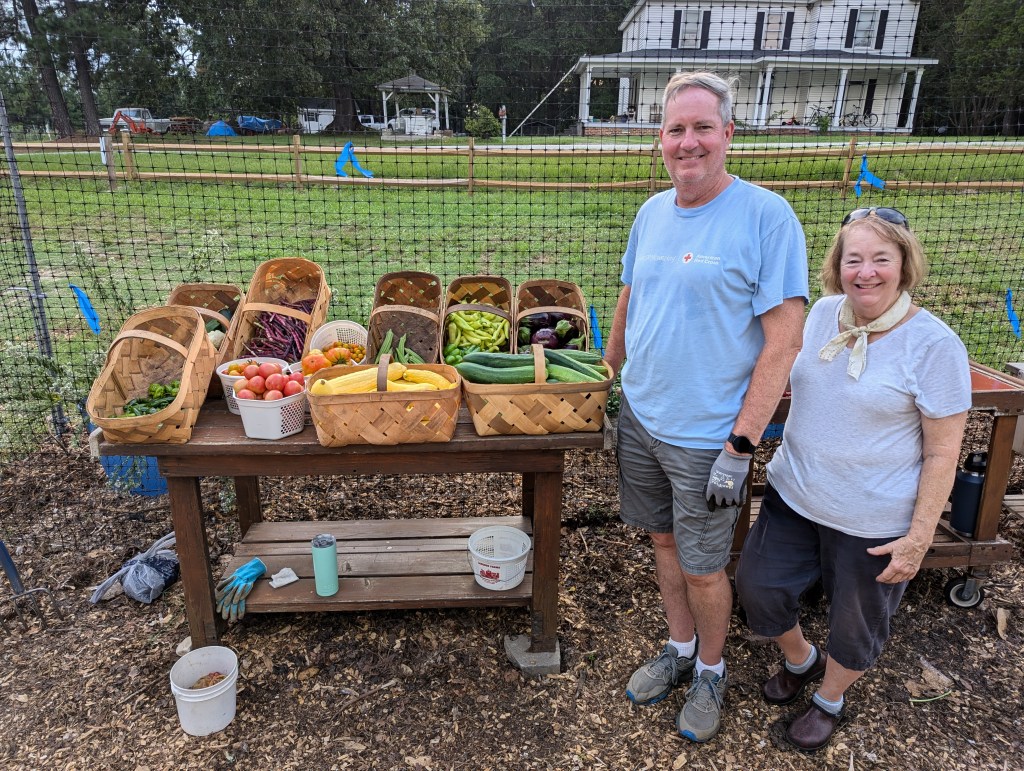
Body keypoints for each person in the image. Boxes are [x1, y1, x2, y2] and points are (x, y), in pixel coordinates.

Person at [604, 71, 809, 743]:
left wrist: (741, 444)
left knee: (703, 565)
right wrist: (605, 381)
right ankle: (680, 647)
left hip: (707, 439)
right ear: (659, 138)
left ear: (727, 133)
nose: (687, 142)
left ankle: (713, 670)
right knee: (663, 543)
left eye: (701, 128)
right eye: (675, 129)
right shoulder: (651, 212)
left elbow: (783, 340)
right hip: (642, 418)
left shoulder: (766, 216)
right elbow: (631, 300)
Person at [734, 207, 972, 752]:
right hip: (795, 494)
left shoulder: (934, 346)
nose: (865, 272)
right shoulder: (820, 314)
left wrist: (918, 537)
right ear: (837, 266)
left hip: (873, 517)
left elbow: (942, 452)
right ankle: (801, 659)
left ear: (904, 265)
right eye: (853, 259)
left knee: (856, 621)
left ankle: (830, 699)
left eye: (880, 260)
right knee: (759, 590)